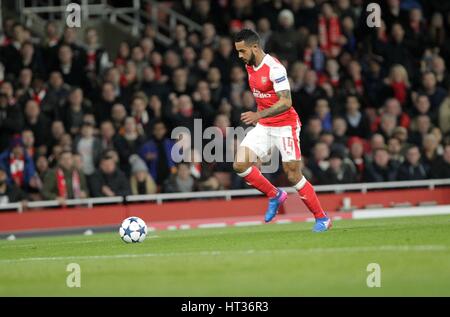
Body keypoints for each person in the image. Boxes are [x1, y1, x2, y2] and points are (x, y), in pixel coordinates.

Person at [233, 29, 331, 232]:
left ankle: (322, 218)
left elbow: (286, 102)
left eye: (242, 51)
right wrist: (261, 118)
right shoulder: (250, 65)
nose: (240, 56)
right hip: (265, 126)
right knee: (239, 164)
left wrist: (258, 115)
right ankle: (275, 194)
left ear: (255, 47)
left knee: (293, 174)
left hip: (285, 125)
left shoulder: (275, 68)